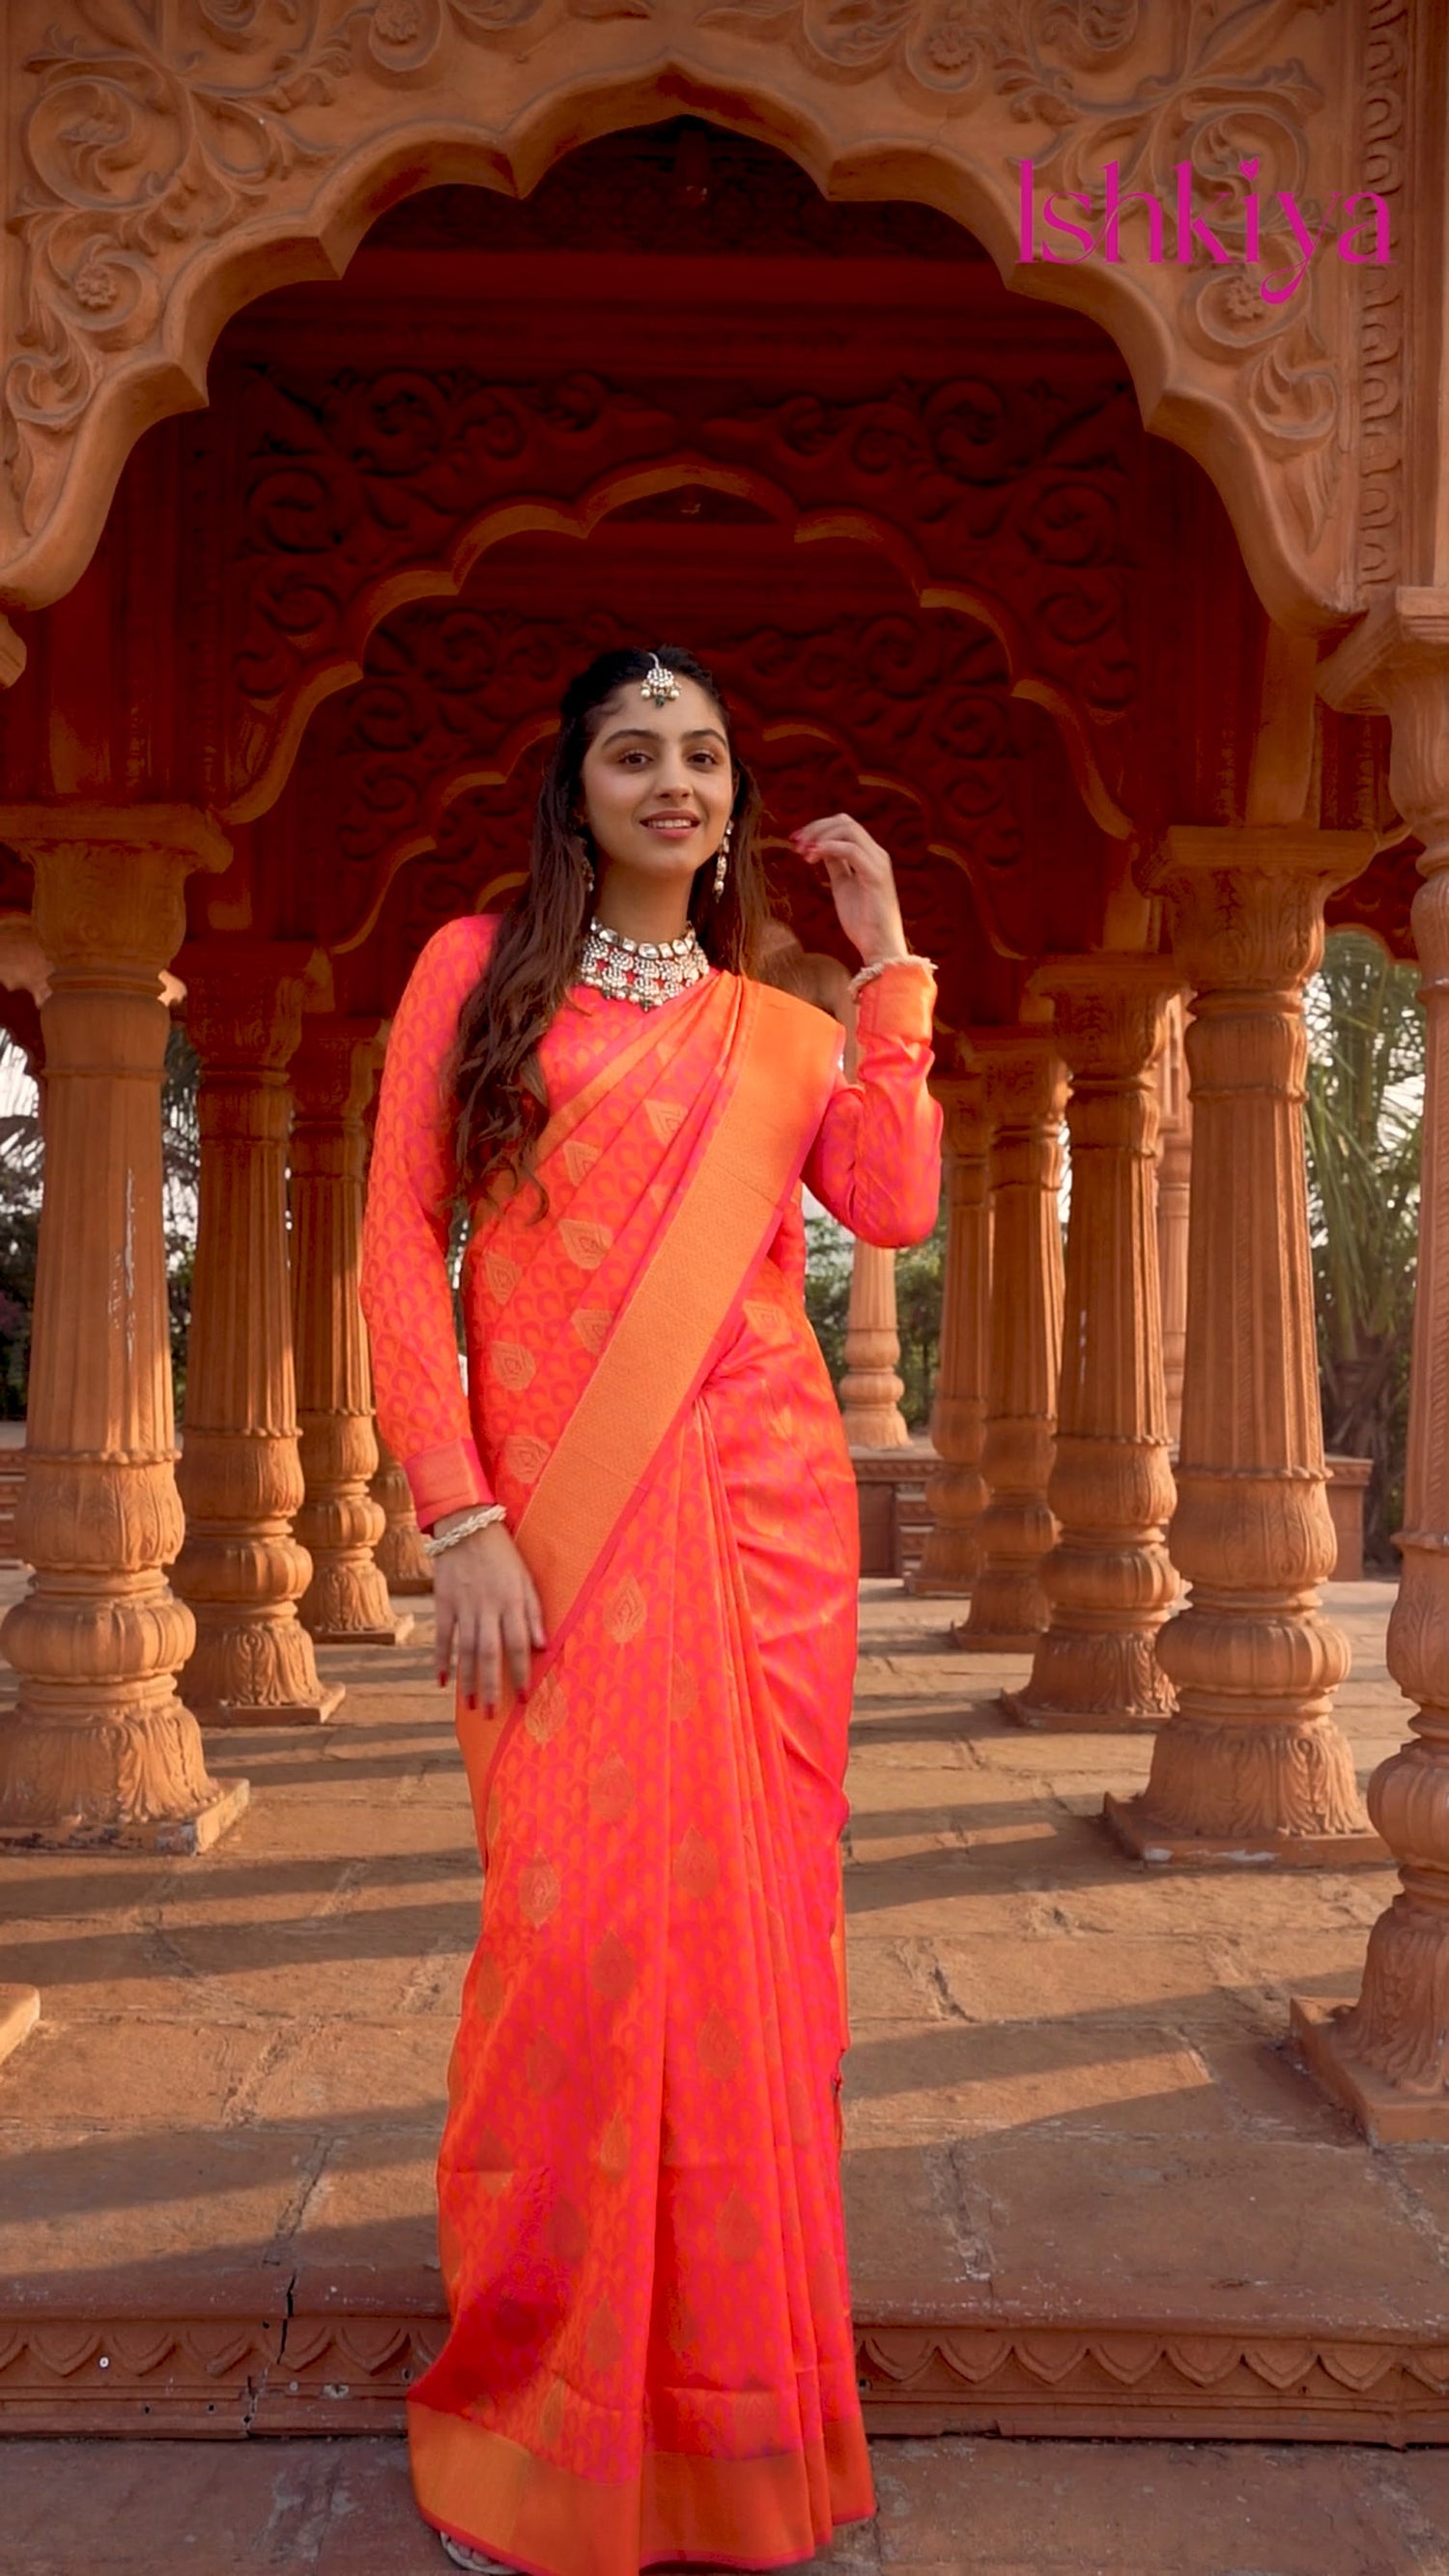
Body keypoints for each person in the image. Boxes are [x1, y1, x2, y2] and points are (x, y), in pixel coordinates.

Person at [360, 644, 941, 2576]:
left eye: (701, 754)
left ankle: (727, 2425)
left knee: (749, 1962)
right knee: (570, 1957)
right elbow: (393, 1249)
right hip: (556, 1535)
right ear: (578, 788)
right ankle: (545, 2417)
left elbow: (893, 1197)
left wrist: (883, 963)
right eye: (636, 751)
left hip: (766, 1524)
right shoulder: (471, 971)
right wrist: (458, 1518)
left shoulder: (776, 1026)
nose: (672, 779)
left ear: (731, 801)